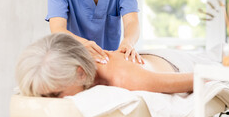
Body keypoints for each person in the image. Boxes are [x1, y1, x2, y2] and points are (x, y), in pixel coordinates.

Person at [16, 33, 205, 97]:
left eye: (55, 95)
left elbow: (201, 79)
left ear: (81, 73)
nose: (52, 101)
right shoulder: (77, 63)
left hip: (183, 63)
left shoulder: (127, 78)